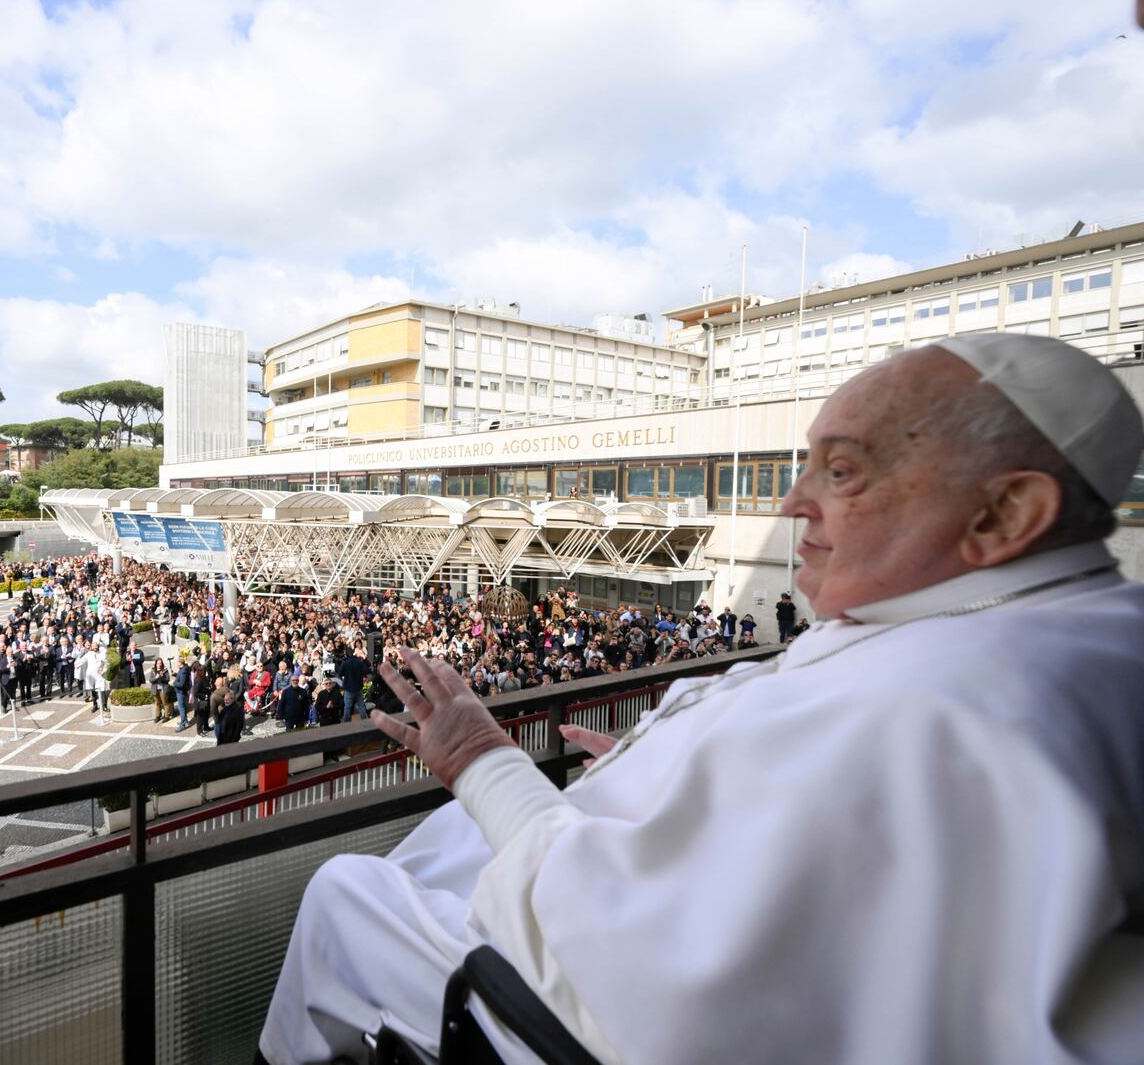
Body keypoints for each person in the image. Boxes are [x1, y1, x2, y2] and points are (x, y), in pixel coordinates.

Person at [257, 334, 1144, 1064]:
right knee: (451, 840)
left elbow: (650, 974)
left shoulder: (939, 703)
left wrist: (480, 759)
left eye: (841, 471)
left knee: (349, 890)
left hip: (588, 1018)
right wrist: (675, 775)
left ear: (1004, 513)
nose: (794, 501)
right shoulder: (1059, 622)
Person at [333, 642, 369, 723]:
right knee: (361, 706)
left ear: (346, 654)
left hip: (348, 687)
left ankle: (346, 724)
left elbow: (340, 674)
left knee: (347, 707)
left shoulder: (345, 663)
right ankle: (366, 721)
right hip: (358, 687)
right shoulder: (359, 662)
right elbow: (365, 672)